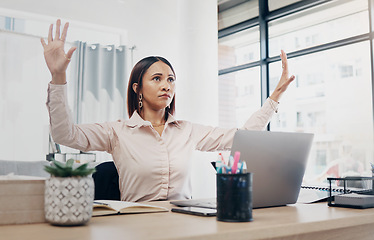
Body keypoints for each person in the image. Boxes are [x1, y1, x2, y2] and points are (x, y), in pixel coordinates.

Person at [41, 20, 295, 202]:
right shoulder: (117, 132)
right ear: (137, 88)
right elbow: (65, 134)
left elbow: (244, 136)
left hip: (184, 221)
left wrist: (274, 98)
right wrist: (58, 76)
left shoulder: (187, 131)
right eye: (158, 78)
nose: (166, 85)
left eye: (171, 79)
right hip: (136, 224)